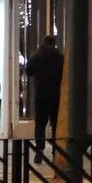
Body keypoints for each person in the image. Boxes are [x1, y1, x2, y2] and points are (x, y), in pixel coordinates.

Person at [23, 35, 64, 163]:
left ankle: (39, 151)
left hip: (41, 94)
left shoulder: (37, 57)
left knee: (40, 124)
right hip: (56, 95)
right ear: (55, 43)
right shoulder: (60, 58)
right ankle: (55, 151)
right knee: (56, 124)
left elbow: (28, 71)